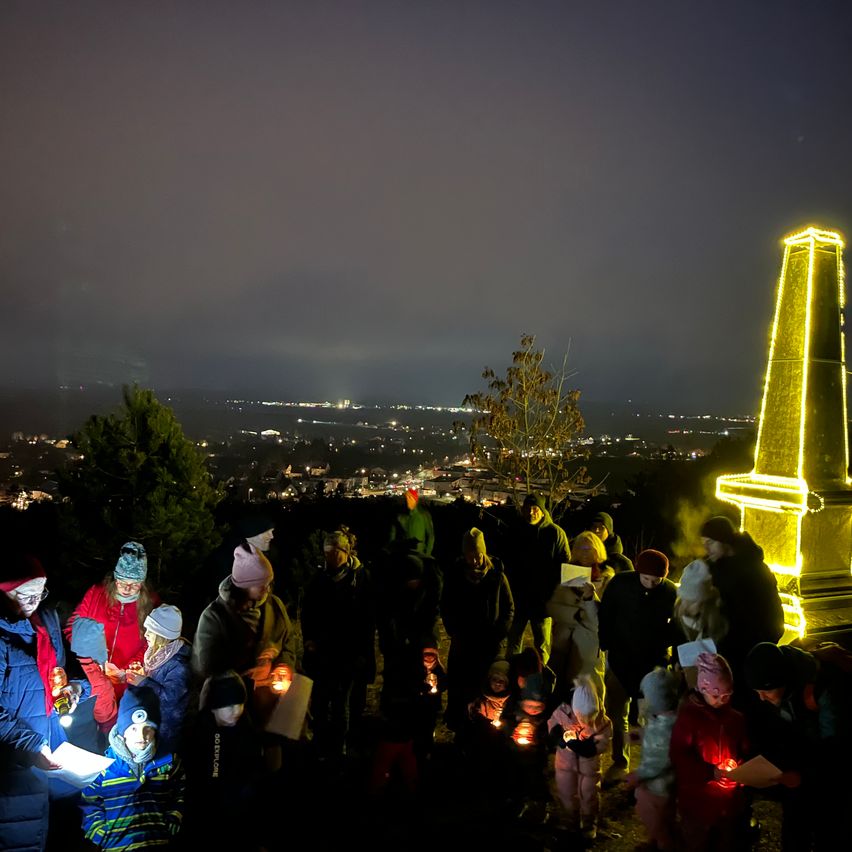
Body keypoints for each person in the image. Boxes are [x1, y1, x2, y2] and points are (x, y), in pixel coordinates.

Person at [1, 554, 83, 852]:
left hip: (53, 750)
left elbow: (67, 670)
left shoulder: (45, 623)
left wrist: (74, 689)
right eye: (26, 593)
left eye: (41, 592)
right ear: (4, 590)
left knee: (55, 833)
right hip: (12, 765)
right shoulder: (2, 635)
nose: (35, 600)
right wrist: (32, 745)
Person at [744, 641, 852, 850]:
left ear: (782, 680)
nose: (761, 697)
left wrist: (803, 775)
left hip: (829, 776)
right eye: (757, 691)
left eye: (765, 691)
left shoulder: (822, 690)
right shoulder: (776, 688)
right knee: (794, 829)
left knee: (829, 830)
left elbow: (835, 749)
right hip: (799, 773)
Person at [192, 544, 296, 721]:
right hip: (235, 707)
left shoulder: (275, 606)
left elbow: (288, 641)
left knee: (277, 745)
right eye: (261, 585)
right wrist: (243, 675)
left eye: (268, 583)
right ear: (244, 585)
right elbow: (205, 669)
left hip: (273, 701)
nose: (267, 589)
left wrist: (283, 665)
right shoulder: (214, 617)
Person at [598, 548, 676, 785]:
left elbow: (676, 625)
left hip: (651, 664)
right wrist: (606, 644)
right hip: (621, 659)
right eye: (646, 579)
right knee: (617, 711)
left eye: (656, 580)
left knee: (651, 717)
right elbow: (606, 614)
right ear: (638, 572)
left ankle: (649, 766)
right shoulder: (621, 584)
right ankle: (620, 761)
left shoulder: (670, 592)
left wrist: (666, 654)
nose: (651, 584)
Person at [301, 528, 376, 762]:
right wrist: (309, 639)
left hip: (349, 652)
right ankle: (321, 744)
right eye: (327, 553)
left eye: (335, 553)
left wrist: (364, 651)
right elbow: (308, 612)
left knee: (343, 702)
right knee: (321, 700)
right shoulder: (320, 579)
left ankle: (341, 746)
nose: (331, 557)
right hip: (323, 651)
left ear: (346, 552)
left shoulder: (361, 578)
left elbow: (368, 617)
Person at [81, 685, 184, 850]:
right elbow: (89, 802)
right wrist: (100, 834)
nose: (141, 736)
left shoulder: (169, 762)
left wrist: (174, 817)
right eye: (134, 728)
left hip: (157, 842)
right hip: (117, 846)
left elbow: (181, 790)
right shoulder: (103, 767)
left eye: (148, 728)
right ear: (122, 731)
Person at [670, 652, 749, 851]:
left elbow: (744, 749)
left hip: (730, 805)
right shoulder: (689, 719)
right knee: (698, 842)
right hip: (698, 804)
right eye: (715, 695)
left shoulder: (736, 719)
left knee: (728, 842)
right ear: (702, 689)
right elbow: (680, 756)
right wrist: (710, 772)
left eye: (726, 695)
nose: (721, 700)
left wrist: (739, 768)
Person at [440, 527, 514, 733]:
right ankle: (460, 726)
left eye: (477, 553)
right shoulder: (455, 576)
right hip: (463, 641)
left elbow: (509, 608)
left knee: (484, 686)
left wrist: (499, 633)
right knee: (460, 686)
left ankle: (484, 727)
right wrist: (453, 630)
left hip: (489, 643)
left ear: (484, 553)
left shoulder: (497, 576)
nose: (473, 559)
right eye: (469, 554)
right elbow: (446, 605)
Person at [699, 517, 784, 693]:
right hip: (718, 657)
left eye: (710, 542)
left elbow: (774, 615)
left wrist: (761, 650)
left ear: (724, 540)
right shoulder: (710, 571)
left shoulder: (756, 570)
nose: (706, 548)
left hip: (750, 656)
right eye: (703, 543)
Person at [185, 670, 266, 850]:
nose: (237, 711)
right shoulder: (202, 731)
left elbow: (253, 768)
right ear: (214, 706)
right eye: (229, 706)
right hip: (208, 814)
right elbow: (196, 777)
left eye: (240, 704)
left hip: (239, 811)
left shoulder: (247, 728)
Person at [65, 542, 157, 699]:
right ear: (115, 579)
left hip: (127, 684)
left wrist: (127, 670)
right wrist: (91, 657)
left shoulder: (151, 603)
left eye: (134, 585)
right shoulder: (97, 594)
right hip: (91, 678)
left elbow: (152, 643)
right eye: (122, 582)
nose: (127, 589)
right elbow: (73, 628)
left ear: (142, 584)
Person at [506, 493, 570, 665]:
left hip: (543, 601)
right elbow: (507, 561)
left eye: (535, 508)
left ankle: (543, 680)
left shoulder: (555, 533)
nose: (531, 512)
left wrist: (556, 596)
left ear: (542, 511)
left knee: (542, 645)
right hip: (518, 598)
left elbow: (564, 565)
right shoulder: (515, 531)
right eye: (527, 508)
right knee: (513, 641)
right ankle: (510, 679)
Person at [547, 674, 612, 841]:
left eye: (589, 717)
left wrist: (588, 748)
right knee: (566, 791)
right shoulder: (563, 712)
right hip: (565, 763)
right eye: (582, 717)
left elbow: (603, 741)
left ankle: (589, 823)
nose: (585, 721)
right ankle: (570, 820)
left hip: (589, 767)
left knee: (589, 793)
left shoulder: (602, 722)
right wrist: (558, 737)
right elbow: (552, 723)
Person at [546, 531, 610, 698]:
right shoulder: (568, 575)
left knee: (589, 690)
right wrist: (574, 613)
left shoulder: (606, 579)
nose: (584, 552)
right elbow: (553, 606)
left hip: (589, 645)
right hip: (564, 643)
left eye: (589, 548)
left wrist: (590, 598)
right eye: (581, 548)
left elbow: (604, 618)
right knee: (561, 687)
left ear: (598, 550)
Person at [626, 667, 680, 852]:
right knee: (663, 818)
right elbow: (654, 736)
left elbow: (661, 759)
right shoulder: (662, 720)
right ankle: (655, 842)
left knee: (652, 816)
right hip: (662, 787)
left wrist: (639, 775)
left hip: (658, 787)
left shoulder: (666, 729)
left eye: (646, 696)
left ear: (656, 700)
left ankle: (664, 845)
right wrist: (641, 735)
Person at [131, 604, 191, 753]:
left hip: (168, 727)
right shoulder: (157, 652)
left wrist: (144, 682)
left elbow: (171, 698)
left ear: (162, 635)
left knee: (162, 758)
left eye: (150, 632)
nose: (145, 635)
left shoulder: (178, 664)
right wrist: (142, 673)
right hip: (154, 717)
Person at [672, 558, 728, 649]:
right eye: (684, 599)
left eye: (693, 601)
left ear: (704, 600)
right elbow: (677, 644)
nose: (687, 605)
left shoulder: (719, 620)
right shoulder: (678, 615)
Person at [389, 487, 435, 556]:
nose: (407, 501)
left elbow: (431, 536)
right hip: (406, 552)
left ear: (415, 499)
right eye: (406, 498)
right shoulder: (402, 517)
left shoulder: (424, 515)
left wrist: (427, 554)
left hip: (419, 553)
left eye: (410, 498)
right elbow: (393, 533)